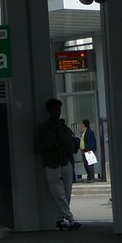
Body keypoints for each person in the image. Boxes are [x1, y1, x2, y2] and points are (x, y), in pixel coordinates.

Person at [35, 98, 80, 230]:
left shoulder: (63, 127)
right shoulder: (43, 129)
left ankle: (60, 219)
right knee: (59, 193)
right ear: (49, 111)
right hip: (52, 163)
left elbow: (69, 143)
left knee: (66, 192)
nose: (57, 112)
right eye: (55, 109)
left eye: (59, 109)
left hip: (64, 161)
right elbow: (37, 147)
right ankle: (70, 219)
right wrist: (52, 144)